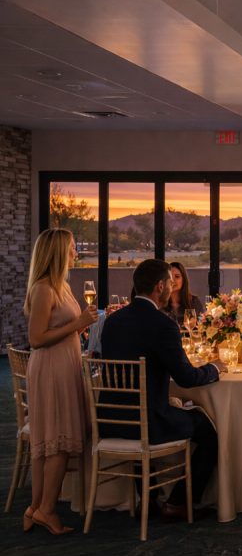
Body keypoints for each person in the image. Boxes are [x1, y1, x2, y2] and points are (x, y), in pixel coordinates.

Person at [100, 259, 223, 520]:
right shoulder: (163, 324)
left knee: (173, 409)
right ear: (159, 286)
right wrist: (214, 368)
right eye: (169, 281)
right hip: (149, 421)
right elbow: (187, 378)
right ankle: (178, 502)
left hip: (111, 420)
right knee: (209, 430)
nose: (171, 286)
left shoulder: (113, 321)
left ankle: (148, 499)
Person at [22, 228, 98, 535]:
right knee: (58, 443)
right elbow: (36, 339)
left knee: (47, 444)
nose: (75, 253)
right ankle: (48, 510)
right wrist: (79, 324)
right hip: (51, 369)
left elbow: (63, 328)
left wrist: (80, 334)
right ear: (57, 252)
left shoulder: (61, 286)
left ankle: (35, 507)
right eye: (71, 248)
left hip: (64, 363)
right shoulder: (43, 289)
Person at [161, 261, 202, 327]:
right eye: (170, 277)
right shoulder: (160, 303)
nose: (173, 280)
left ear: (183, 279)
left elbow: (201, 326)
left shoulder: (194, 301)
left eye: (177, 276)